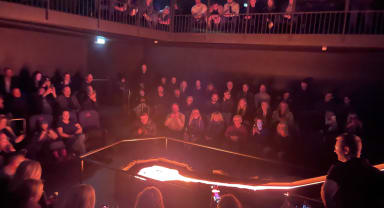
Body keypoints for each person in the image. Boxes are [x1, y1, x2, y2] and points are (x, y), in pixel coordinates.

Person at [321, 133, 384, 208]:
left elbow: (326, 193)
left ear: (346, 150)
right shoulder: (376, 172)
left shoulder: (339, 169)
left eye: (336, 148)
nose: (335, 151)